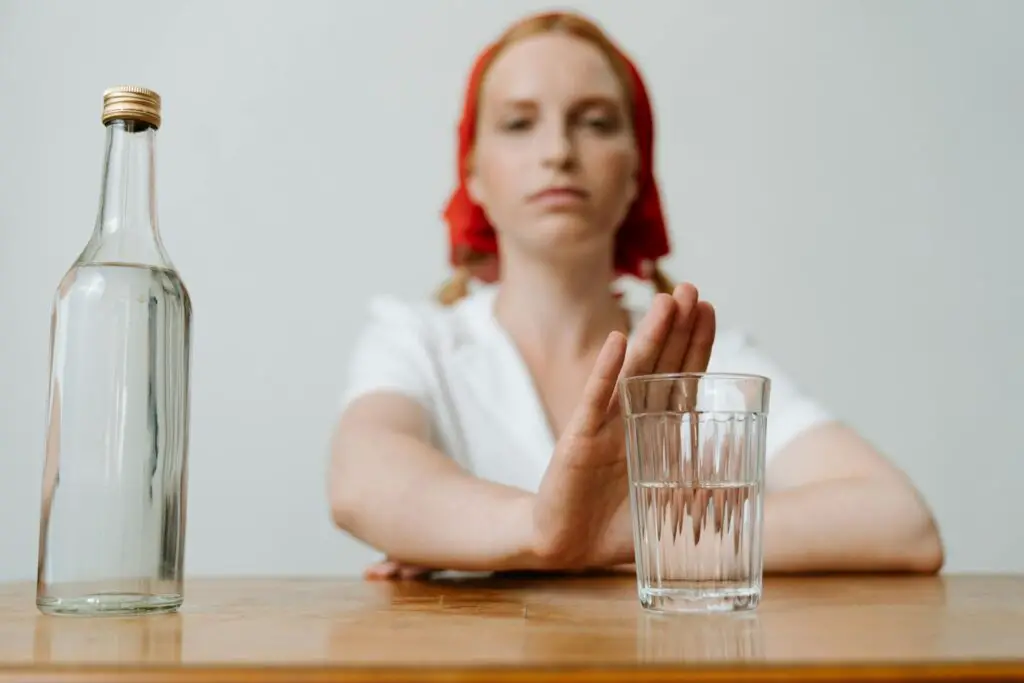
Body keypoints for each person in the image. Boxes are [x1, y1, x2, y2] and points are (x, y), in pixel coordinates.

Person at [327, 10, 944, 580]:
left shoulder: (706, 357)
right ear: (474, 175)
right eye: (519, 124)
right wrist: (545, 532)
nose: (559, 152)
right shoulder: (419, 339)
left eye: (595, 123)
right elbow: (363, 477)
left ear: (635, 174)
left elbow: (900, 521)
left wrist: (610, 537)